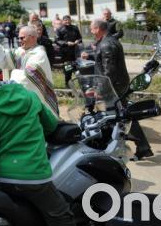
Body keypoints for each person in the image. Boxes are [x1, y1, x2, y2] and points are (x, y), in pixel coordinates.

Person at [0, 64, 76, 226]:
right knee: (63, 220)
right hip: (35, 177)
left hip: (2, 179)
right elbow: (51, 125)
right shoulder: (30, 97)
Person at [91, 19, 151, 159]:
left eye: (92, 29)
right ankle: (139, 147)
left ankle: (139, 147)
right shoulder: (107, 41)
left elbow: (109, 71)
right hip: (117, 85)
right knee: (121, 116)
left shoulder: (107, 44)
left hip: (114, 87)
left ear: (99, 29)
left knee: (121, 117)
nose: (92, 32)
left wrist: (100, 90)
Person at [13, 26, 59, 117]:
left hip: (38, 98)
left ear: (33, 37)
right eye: (18, 38)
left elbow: (30, 74)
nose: (19, 40)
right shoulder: (21, 51)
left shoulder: (39, 54)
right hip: (25, 98)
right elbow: (4, 57)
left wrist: (13, 74)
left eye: (22, 38)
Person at [55, 15, 82, 83]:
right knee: (68, 70)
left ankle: (81, 84)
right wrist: (66, 43)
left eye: (68, 20)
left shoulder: (75, 28)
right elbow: (57, 40)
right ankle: (68, 85)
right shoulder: (59, 29)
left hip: (76, 53)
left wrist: (78, 41)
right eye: (65, 20)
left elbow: (80, 38)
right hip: (66, 54)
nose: (67, 21)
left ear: (70, 20)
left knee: (78, 70)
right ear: (63, 21)